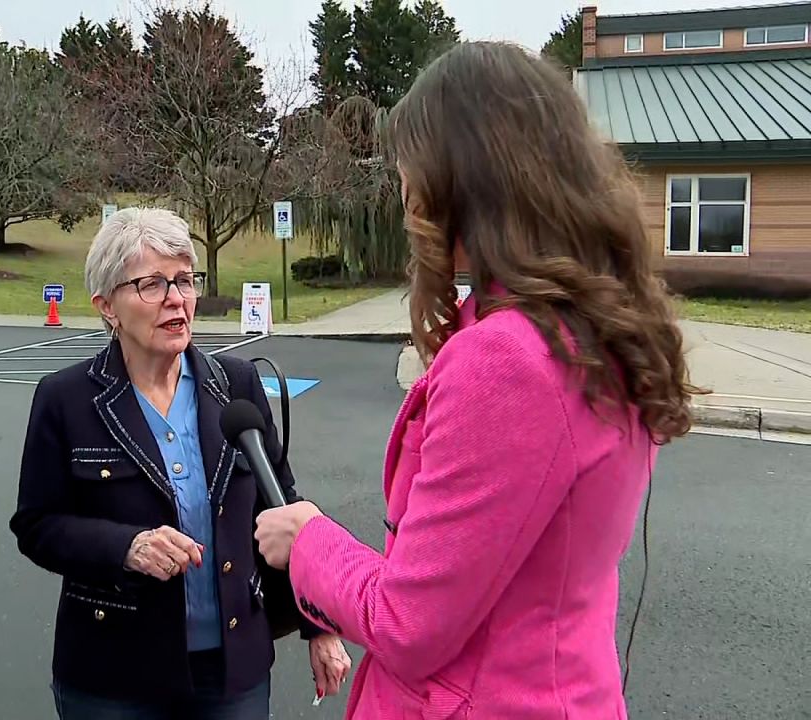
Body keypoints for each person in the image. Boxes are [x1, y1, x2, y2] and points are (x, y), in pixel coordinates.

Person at [255, 42, 701, 719]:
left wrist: (310, 541)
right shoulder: (595, 329)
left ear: (468, 179)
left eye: (412, 171)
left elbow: (411, 623)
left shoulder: (509, 360)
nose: (404, 194)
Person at [10, 207, 352, 719]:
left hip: (232, 673)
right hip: (114, 674)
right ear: (107, 306)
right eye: (152, 284)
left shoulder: (236, 386)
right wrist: (125, 547)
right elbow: (36, 525)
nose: (176, 299)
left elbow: (284, 506)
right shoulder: (64, 400)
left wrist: (319, 625)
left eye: (185, 281)